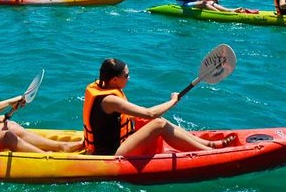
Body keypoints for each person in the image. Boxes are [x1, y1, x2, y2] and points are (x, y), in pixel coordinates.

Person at [82, 58, 236, 156]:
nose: (129, 78)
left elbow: (142, 113)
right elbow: (149, 113)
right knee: (158, 122)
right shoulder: (109, 100)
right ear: (114, 80)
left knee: (158, 119)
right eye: (126, 75)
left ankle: (209, 144)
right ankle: (209, 153)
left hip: (118, 142)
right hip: (111, 153)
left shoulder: (103, 87)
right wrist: (173, 101)